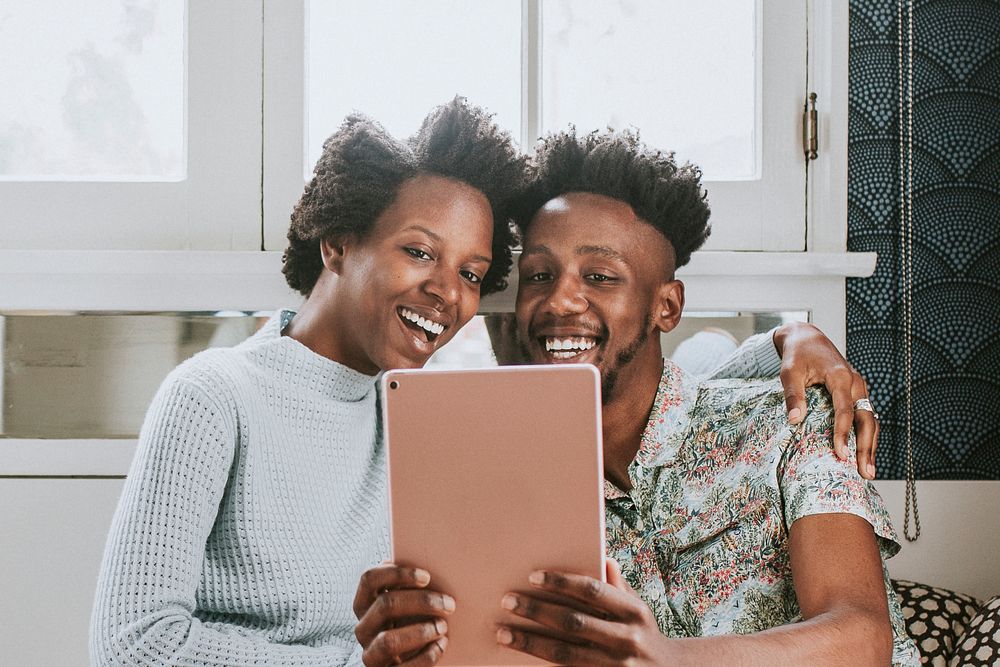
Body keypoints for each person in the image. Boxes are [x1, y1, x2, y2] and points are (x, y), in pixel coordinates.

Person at [353, 129, 919, 666]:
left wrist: (666, 659)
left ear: (666, 308)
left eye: (600, 276)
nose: (561, 301)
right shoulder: (503, 492)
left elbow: (861, 637)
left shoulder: (790, 424)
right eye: (540, 275)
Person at [89, 98, 527, 666]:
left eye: (470, 274)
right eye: (419, 252)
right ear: (339, 244)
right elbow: (133, 646)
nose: (448, 291)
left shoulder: (418, 419)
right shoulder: (212, 398)